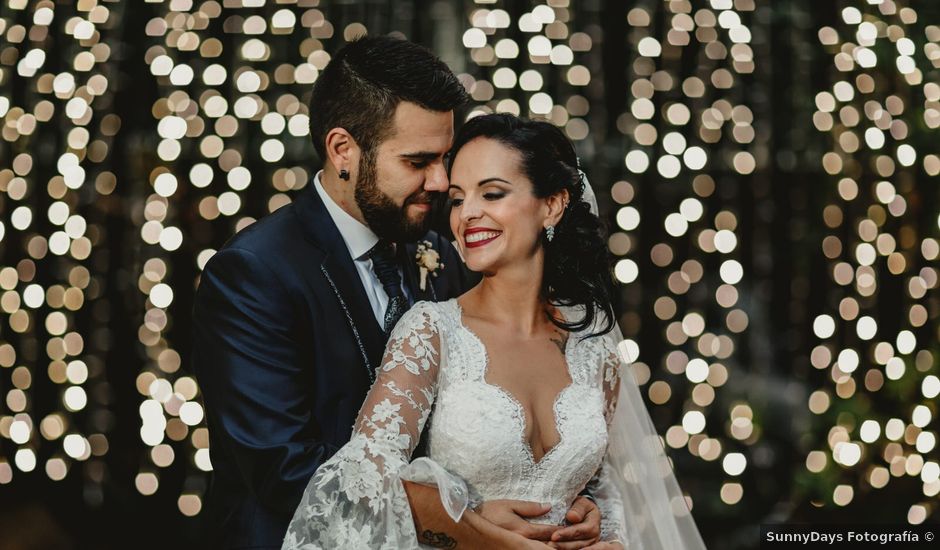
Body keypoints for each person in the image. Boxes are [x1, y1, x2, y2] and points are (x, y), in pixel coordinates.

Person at [192, 37, 600, 549]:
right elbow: (285, 472)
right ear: (343, 150)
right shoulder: (253, 274)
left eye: (445, 157)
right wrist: (465, 520)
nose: (440, 180)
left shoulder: (446, 249)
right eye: (418, 160)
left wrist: (562, 493)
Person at [282, 114, 709, 550]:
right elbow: (361, 484)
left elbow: (600, 485)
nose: (467, 214)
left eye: (492, 193)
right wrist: (481, 533)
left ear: (552, 205)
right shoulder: (432, 332)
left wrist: (608, 533)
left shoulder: (594, 347)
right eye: (457, 198)